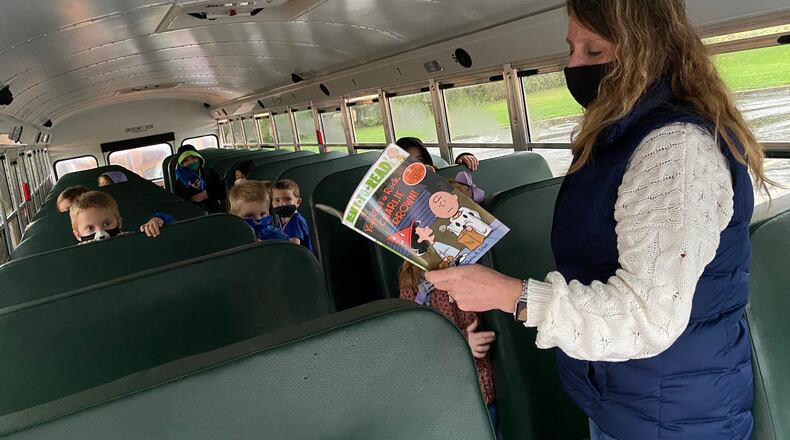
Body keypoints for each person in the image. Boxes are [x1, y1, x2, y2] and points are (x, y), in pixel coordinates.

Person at [426, 1, 771, 439]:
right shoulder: (627, 134)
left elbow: (649, 317)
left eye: (593, 52)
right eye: (571, 50)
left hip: (673, 417)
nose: (574, 66)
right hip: (632, 399)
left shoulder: (676, 151)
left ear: (646, 50)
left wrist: (509, 294)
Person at [399, 262, 497, 431]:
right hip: (443, 394)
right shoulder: (412, 284)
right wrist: (461, 342)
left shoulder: (467, 269)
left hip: (478, 390)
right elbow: (414, 338)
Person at [69, 191, 173, 242]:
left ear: (119, 222)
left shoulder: (129, 238)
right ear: (78, 235)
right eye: (90, 228)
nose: (100, 234)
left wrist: (158, 220)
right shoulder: (75, 256)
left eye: (107, 224)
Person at [173, 144, 223, 213]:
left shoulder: (210, 173)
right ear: (182, 164)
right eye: (186, 160)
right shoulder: (179, 183)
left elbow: (222, 191)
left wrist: (208, 194)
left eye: (193, 158)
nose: (191, 162)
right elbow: (182, 204)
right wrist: (192, 189)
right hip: (194, 216)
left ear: (199, 158)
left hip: (215, 212)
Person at [271, 179, 313, 252]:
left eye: (287, 199)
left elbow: (293, 250)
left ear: (298, 202)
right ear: (273, 204)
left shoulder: (296, 221)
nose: (282, 204)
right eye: (277, 200)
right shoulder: (282, 221)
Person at [396, 137, 479, 171]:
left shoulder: (434, 172)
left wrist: (463, 159)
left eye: (420, 160)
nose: (418, 165)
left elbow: (452, 180)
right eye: (409, 161)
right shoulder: (390, 190)